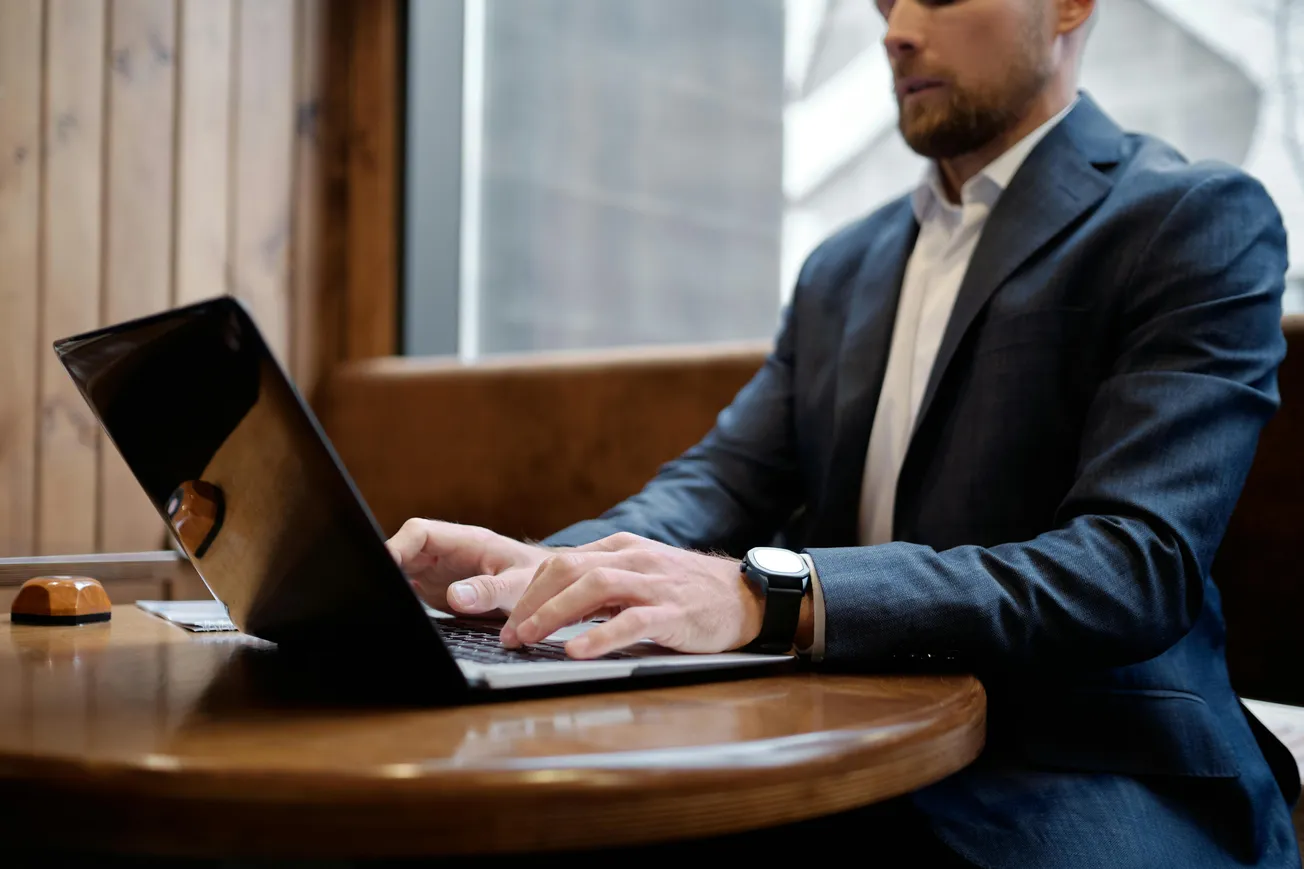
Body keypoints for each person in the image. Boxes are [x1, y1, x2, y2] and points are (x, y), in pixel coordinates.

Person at [387, 0, 1301, 865]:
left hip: (1098, 763)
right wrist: (541, 573)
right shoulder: (842, 266)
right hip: (850, 745)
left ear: (1069, 6)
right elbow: (718, 482)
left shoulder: (1192, 217)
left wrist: (768, 595)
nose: (897, 32)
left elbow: (1132, 565)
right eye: (884, 2)